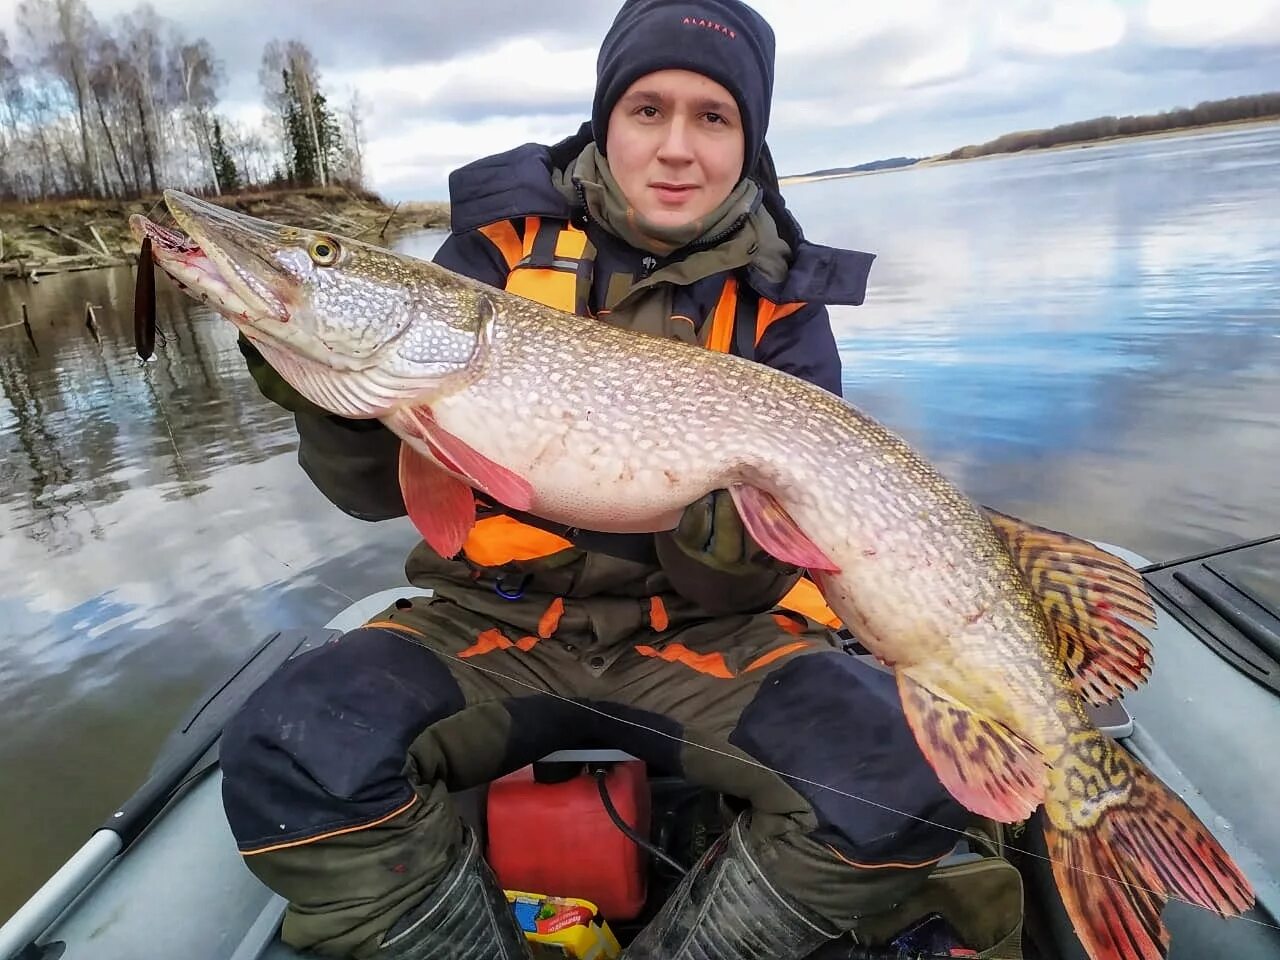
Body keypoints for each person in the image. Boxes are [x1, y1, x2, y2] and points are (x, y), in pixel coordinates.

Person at [220, 1, 972, 957]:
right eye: (647, 109)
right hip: (490, 624)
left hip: (707, 639)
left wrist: (728, 556)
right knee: (290, 747)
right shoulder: (492, 258)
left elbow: (769, 569)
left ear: (750, 140)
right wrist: (319, 389)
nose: (675, 148)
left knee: (900, 777)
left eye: (713, 117)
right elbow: (376, 492)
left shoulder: (783, 307)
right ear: (605, 119)